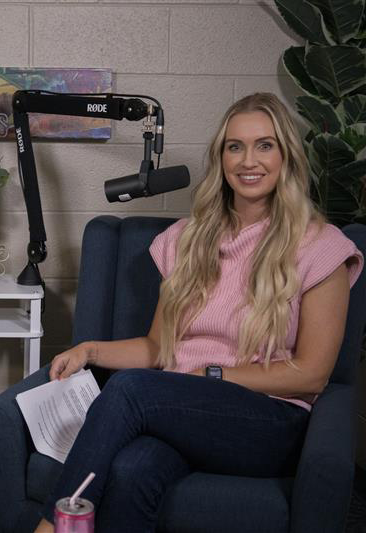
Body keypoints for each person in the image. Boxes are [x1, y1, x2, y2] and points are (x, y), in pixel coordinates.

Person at [33, 92, 363, 533]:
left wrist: (211, 375)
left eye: (265, 145)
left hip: (267, 423)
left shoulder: (320, 246)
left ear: (286, 156)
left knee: (130, 390)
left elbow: (311, 375)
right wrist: (89, 350)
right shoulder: (186, 240)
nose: (248, 160)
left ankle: (52, 526)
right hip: (182, 412)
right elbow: (157, 348)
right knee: (132, 470)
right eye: (235, 146)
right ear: (221, 159)